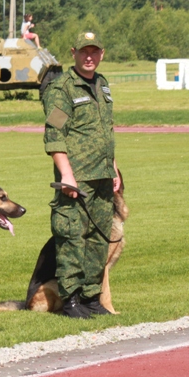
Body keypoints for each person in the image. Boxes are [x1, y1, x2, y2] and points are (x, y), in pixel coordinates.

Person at [43, 31, 119, 319]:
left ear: (101, 54)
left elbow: (105, 131)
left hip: (101, 176)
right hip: (76, 177)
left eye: (95, 51)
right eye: (84, 51)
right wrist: (66, 175)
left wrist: (113, 167)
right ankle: (71, 299)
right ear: (73, 52)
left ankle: (91, 297)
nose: (89, 57)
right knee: (72, 237)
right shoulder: (62, 88)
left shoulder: (102, 84)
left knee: (98, 239)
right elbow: (54, 134)